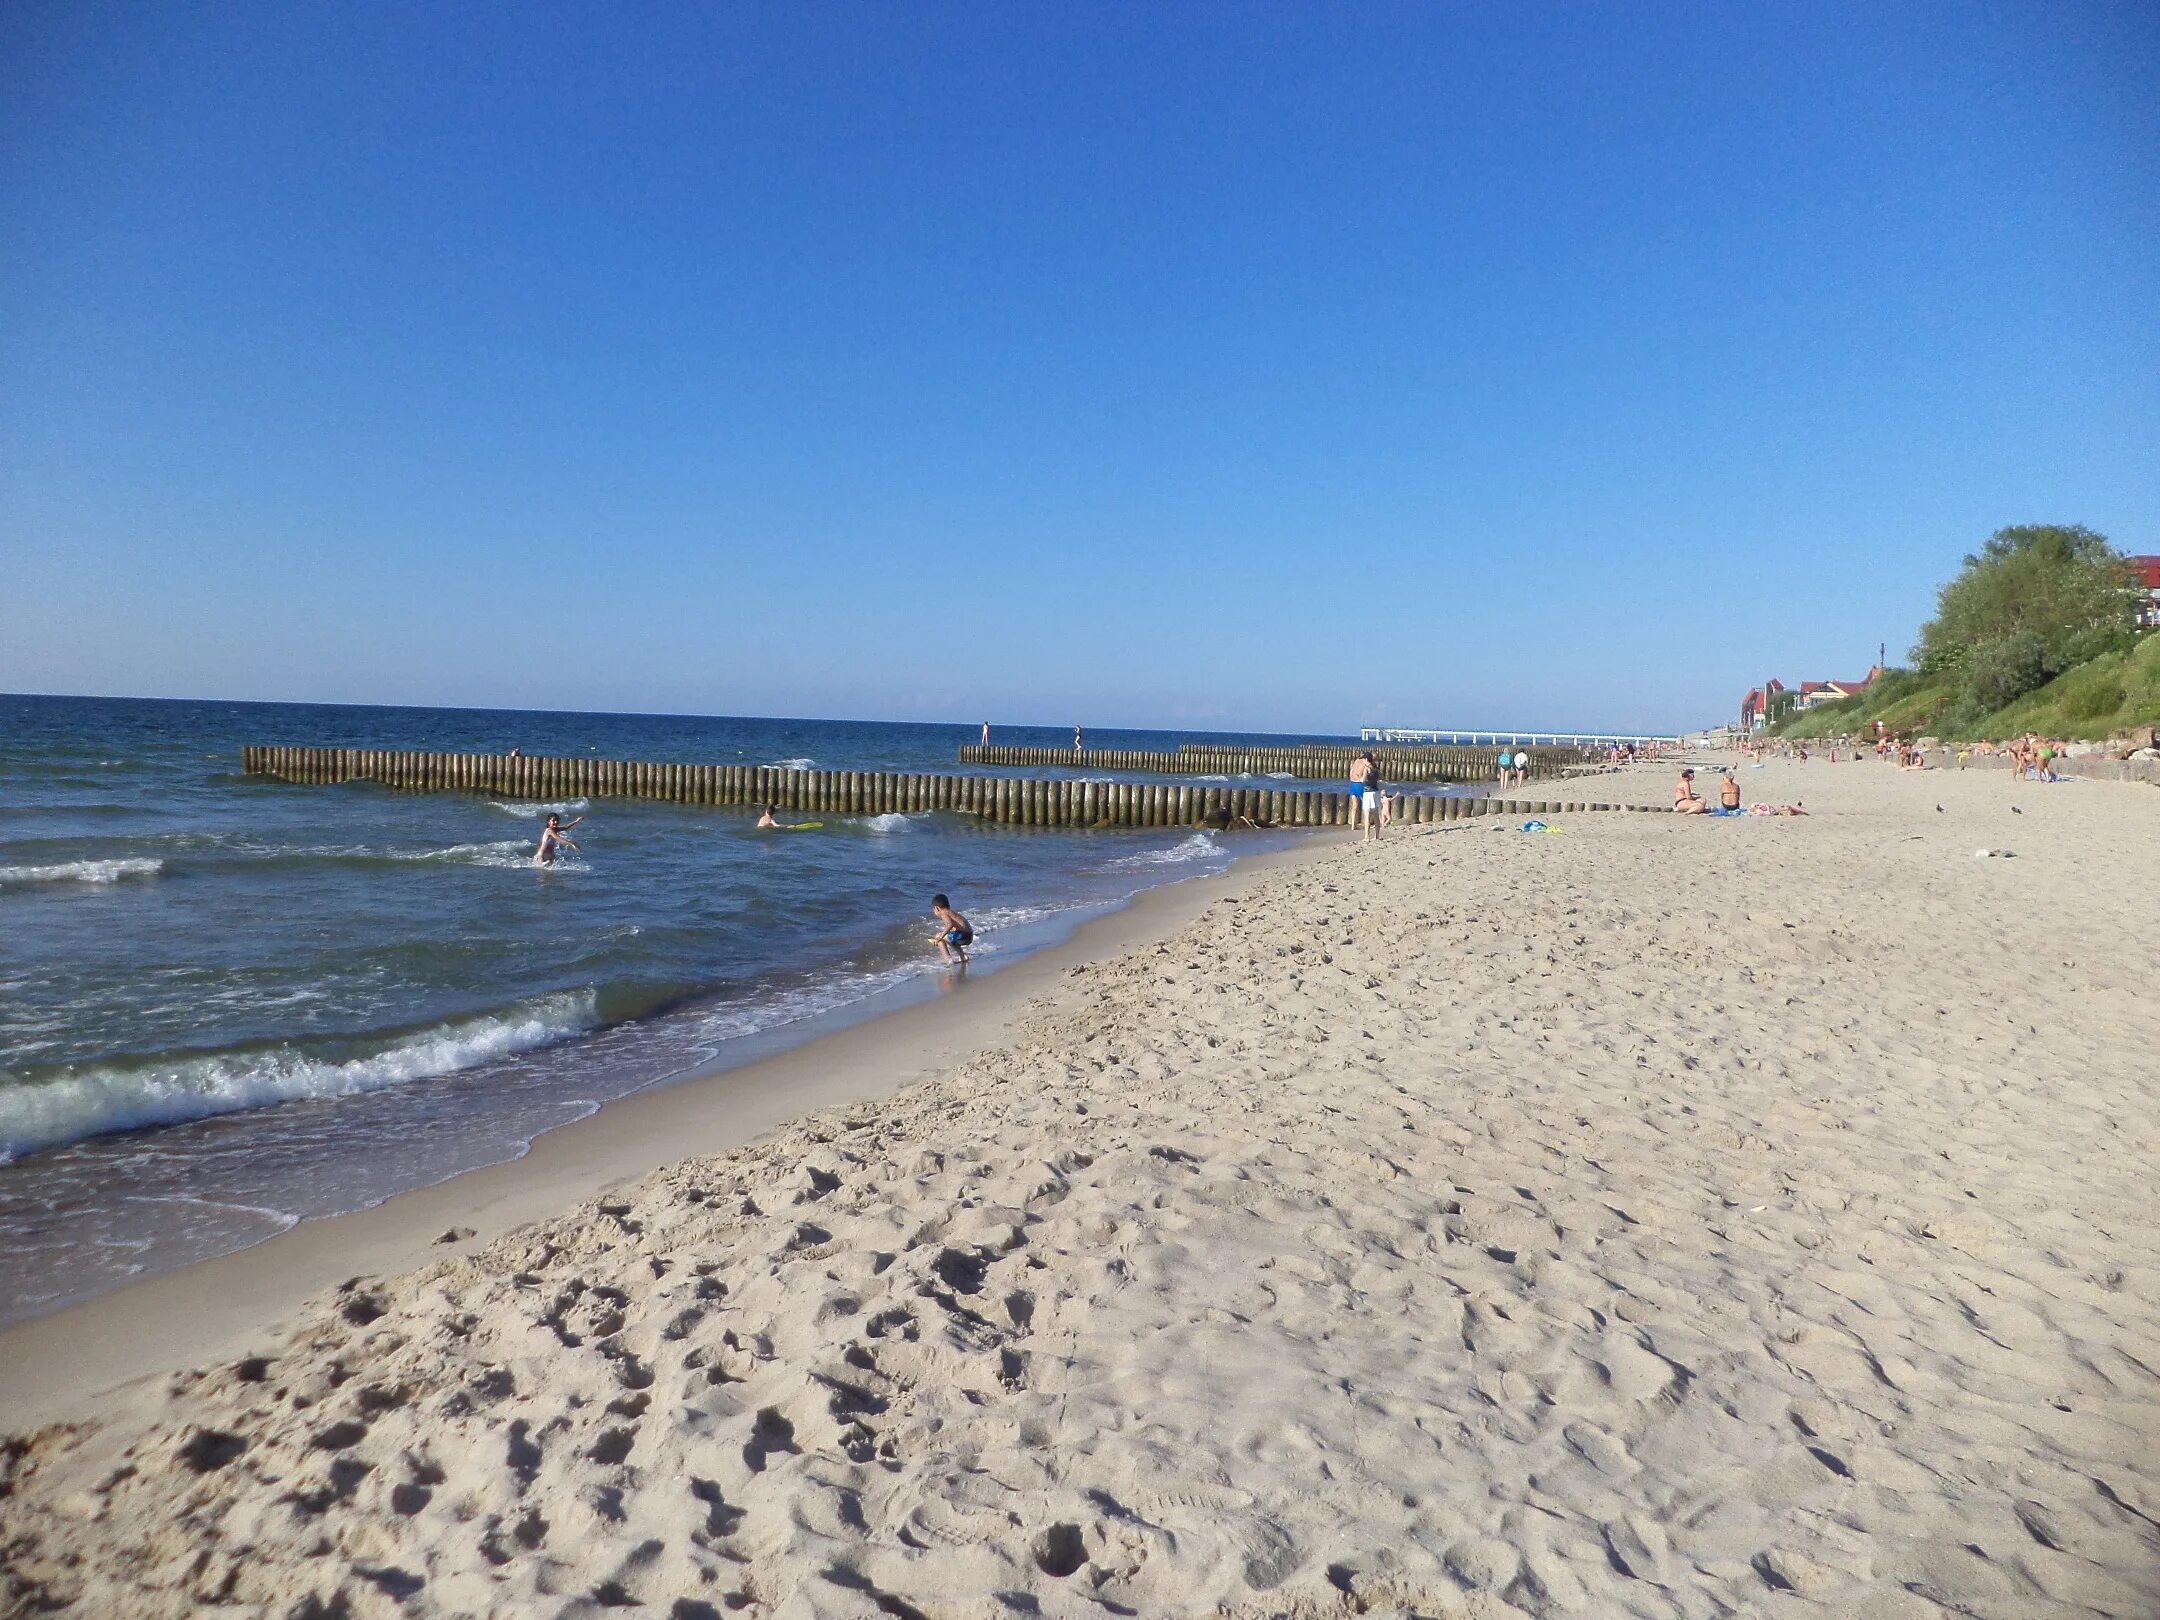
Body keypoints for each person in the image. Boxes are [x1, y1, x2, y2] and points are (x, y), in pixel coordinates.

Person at [929, 894, 973, 964]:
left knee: (939, 938)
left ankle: (948, 960)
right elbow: (954, 927)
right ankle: (963, 956)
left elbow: (949, 924)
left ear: (937, 908)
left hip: (963, 936)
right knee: (950, 939)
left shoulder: (944, 913)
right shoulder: (951, 913)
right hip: (968, 936)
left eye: (933, 909)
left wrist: (940, 937)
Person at [1349, 752, 1376, 831]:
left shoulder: (1356, 761)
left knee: (1354, 806)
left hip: (1352, 783)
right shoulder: (1366, 763)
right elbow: (1368, 773)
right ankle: (1366, 823)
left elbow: (1351, 771)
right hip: (1359, 784)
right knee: (1366, 805)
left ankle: (1353, 825)